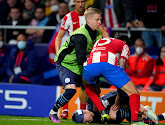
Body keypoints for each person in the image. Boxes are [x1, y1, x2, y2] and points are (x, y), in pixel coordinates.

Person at [55, 0, 109, 119]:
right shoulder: (68, 17)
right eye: (78, 1)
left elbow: (104, 33)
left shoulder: (92, 16)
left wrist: (106, 50)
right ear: (73, 2)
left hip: (88, 55)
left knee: (86, 86)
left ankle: (83, 111)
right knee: (70, 85)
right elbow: (58, 37)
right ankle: (65, 110)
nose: (80, 4)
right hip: (73, 55)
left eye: (83, 1)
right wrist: (58, 52)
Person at [82, 34, 142, 124]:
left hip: (89, 66)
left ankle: (101, 110)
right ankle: (135, 122)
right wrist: (118, 96)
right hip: (107, 66)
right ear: (124, 42)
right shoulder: (124, 45)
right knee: (134, 93)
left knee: (87, 86)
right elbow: (122, 65)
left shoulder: (99, 41)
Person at [72, 90, 162, 125]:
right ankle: (162, 116)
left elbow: (123, 93)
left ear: (85, 112)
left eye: (86, 120)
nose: (88, 122)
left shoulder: (100, 103)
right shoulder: (92, 119)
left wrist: (138, 106)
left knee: (112, 114)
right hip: (121, 114)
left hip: (127, 103)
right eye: (85, 122)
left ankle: (145, 109)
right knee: (151, 123)